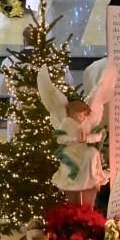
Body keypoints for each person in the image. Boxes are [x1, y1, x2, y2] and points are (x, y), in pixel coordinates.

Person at [39, 67, 104, 207]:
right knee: (69, 155)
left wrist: (86, 139)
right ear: (71, 114)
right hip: (71, 149)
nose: (80, 117)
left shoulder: (90, 121)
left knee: (92, 154)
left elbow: (98, 135)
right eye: (77, 115)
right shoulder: (67, 122)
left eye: (82, 114)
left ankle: (93, 181)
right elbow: (59, 139)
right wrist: (74, 140)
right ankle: (74, 186)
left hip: (84, 147)